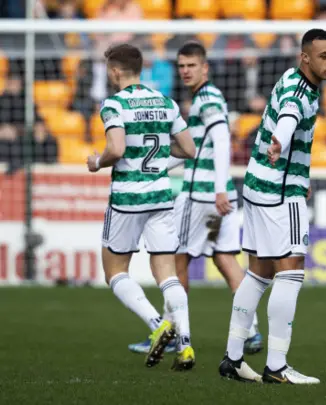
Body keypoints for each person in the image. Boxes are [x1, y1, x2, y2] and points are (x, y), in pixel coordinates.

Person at [127, 41, 263, 356]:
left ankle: (173, 331)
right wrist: (155, 168)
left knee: (177, 259)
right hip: (222, 196)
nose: (186, 71)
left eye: (192, 65)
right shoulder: (204, 99)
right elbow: (195, 151)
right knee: (226, 258)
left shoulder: (207, 99)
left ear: (206, 67)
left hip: (202, 197)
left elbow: (221, 138)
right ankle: (252, 331)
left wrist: (216, 189)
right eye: (182, 66)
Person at [218, 29, 326, 385]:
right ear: (305, 57)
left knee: (259, 273)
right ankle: (277, 366)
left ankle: (233, 358)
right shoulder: (301, 93)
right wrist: (279, 143)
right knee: (292, 272)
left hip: (257, 184)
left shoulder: (291, 77)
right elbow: (287, 117)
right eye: (323, 56)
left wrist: (292, 161)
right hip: (280, 193)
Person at [86, 43, 197, 371]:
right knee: (168, 275)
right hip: (161, 196)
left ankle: (157, 324)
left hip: (127, 199)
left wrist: (96, 161)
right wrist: (163, 153)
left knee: (115, 271)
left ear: (115, 71)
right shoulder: (166, 103)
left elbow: (116, 149)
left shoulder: (114, 104)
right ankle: (186, 343)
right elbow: (189, 149)